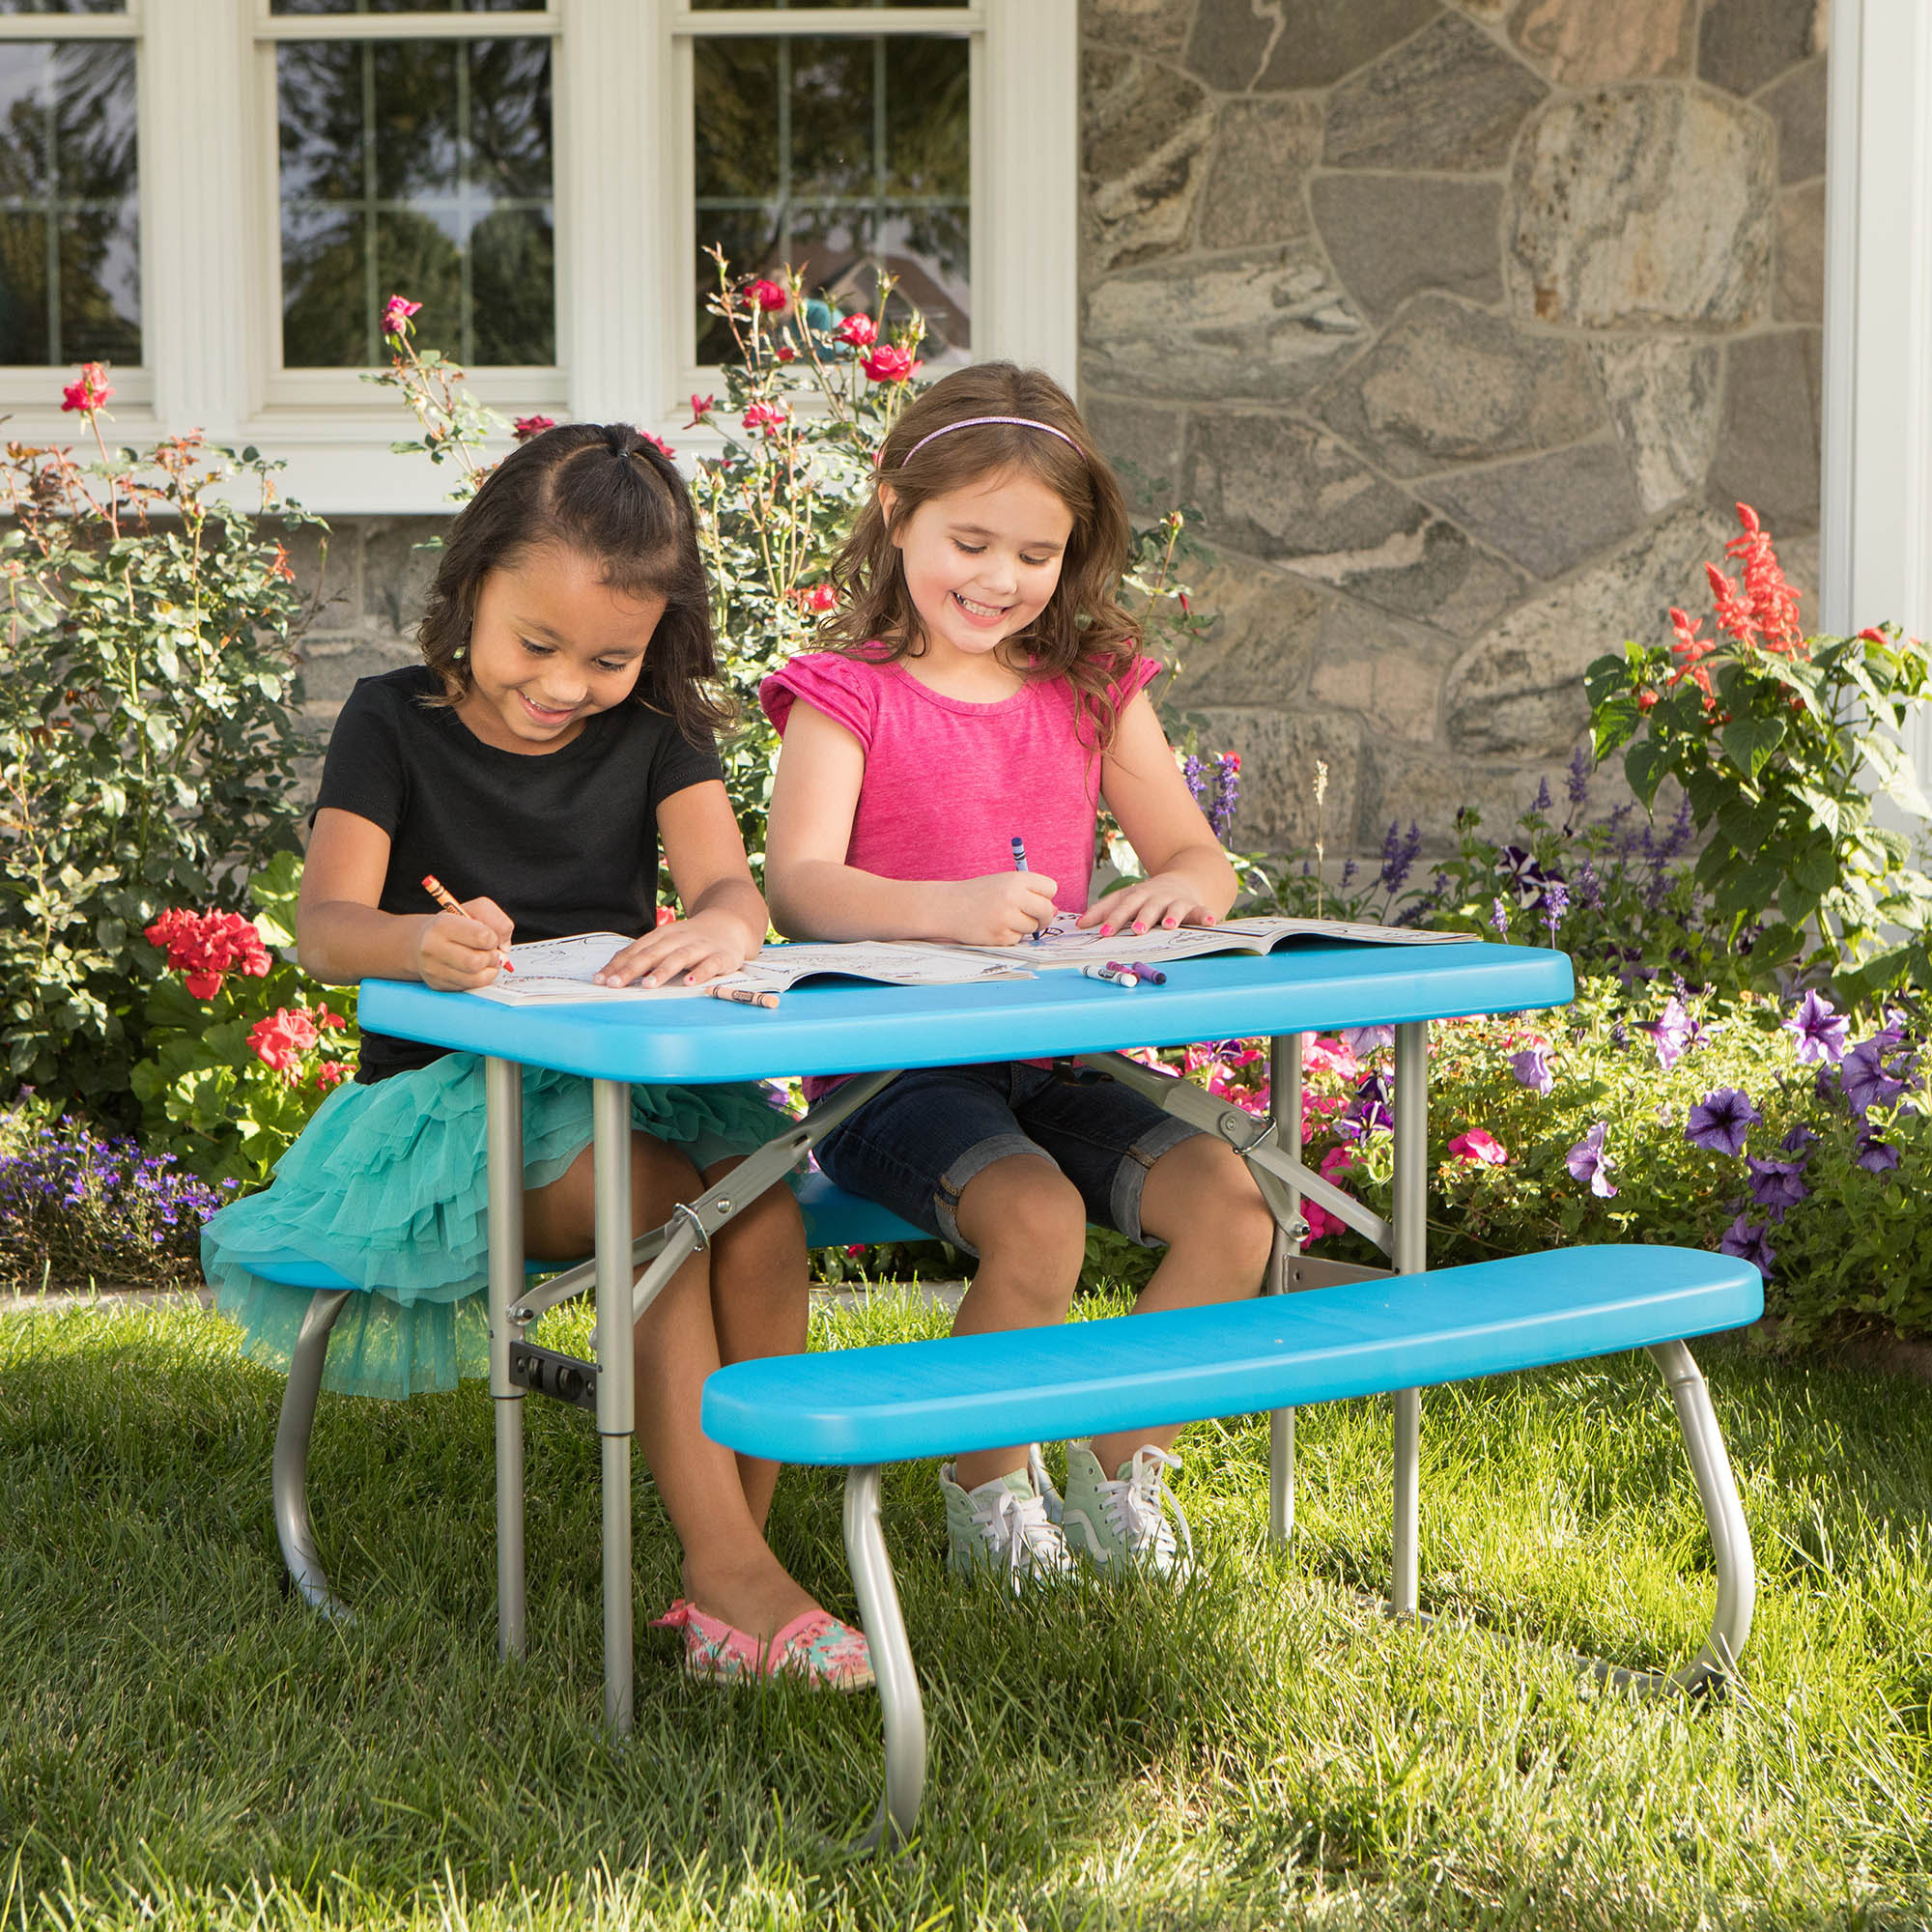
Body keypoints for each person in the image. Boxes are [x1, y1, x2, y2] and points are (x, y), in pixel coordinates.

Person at [203, 423, 870, 1690]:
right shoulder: (390, 721)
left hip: (631, 1074)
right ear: (470, 594)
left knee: (763, 1215)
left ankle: (729, 1566)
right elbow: (325, 931)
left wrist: (721, 924)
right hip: (458, 1110)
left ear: (657, 641)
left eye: (610, 657)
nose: (566, 685)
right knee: (663, 1208)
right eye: (537, 645)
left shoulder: (658, 729)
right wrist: (418, 939)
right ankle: (734, 1577)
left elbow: (732, 887)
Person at [760, 364, 1278, 1586]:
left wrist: (1182, 890)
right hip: (889, 1075)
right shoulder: (845, 695)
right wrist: (943, 911)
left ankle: (1115, 1459)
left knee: (1232, 1208)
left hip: (1052, 1052)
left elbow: (1200, 857)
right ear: (896, 512)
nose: (998, 579)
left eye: (1035, 553)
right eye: (969, 540)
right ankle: (984, 1480)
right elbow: (797, 883)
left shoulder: (1093, 689)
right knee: (1035, 1216)